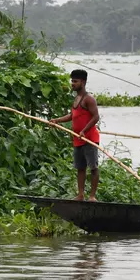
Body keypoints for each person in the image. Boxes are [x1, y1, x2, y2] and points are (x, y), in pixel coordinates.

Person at [49, 69, 101, 201]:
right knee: (80, 168)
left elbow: (95, 117)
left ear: (83, 82)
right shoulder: (76, 98)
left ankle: (92, 196)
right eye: (72, 81)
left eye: (75, 81)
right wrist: (57, 120)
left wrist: (84, 130)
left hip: (89, 139)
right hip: (78, 139)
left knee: (93, 167)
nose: (72, 84)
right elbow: (73, 115)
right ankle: (80, 194)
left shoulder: (89, 99)